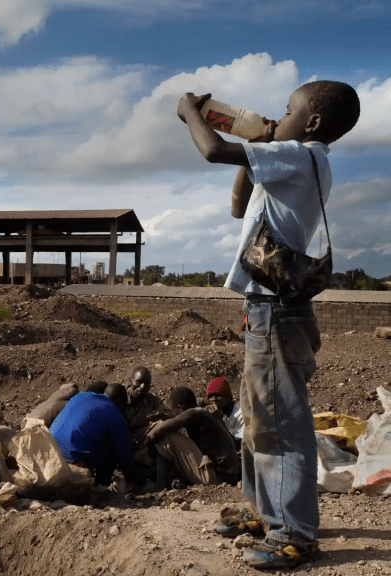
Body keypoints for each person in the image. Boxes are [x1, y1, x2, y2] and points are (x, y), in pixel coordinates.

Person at [177, 80, 360, 569]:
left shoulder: (301, 155)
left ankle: (295, 535)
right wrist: (257, 147)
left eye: (288, 110)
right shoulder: (288, 161)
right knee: (259, 419)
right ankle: (262, 511)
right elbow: (239, 206)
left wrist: (191, 113)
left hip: (276, 312)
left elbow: (213, 150)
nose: (279, 117)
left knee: (281, 424)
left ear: (313, 122)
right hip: (266, 309)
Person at [146, 387, 240, 490]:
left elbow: (163, 428)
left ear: (180, 407)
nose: (173, 414)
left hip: (218, 478)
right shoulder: (201, 414)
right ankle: (169, 482)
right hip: (226, 476)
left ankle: (159, 487)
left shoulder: (195, 413)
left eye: (173, 411)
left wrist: (148, 443)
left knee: (168, 436)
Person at [49, 384, 136, 486]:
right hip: (73, 458)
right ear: (121, 403)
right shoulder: (115, 413)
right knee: (113, 448)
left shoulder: (80, 396)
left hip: (51, 450)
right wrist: (135, 480)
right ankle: (100, 486)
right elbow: (124, 455)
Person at [123, 367, 167, 477]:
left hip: (141, 442)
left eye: (146, 383)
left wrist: (161, 415)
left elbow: (167, 412)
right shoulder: (120, 397)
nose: (142, 387)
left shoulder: (151, 400)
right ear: (131, 381)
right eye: (138, 382)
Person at [205, 377, 244, 450]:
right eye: (211, 396)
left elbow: (237, 446)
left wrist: (218, 420)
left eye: (217, 395)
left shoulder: (240, 415)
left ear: (227, 396)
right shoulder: (220, 412)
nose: (214, 399)